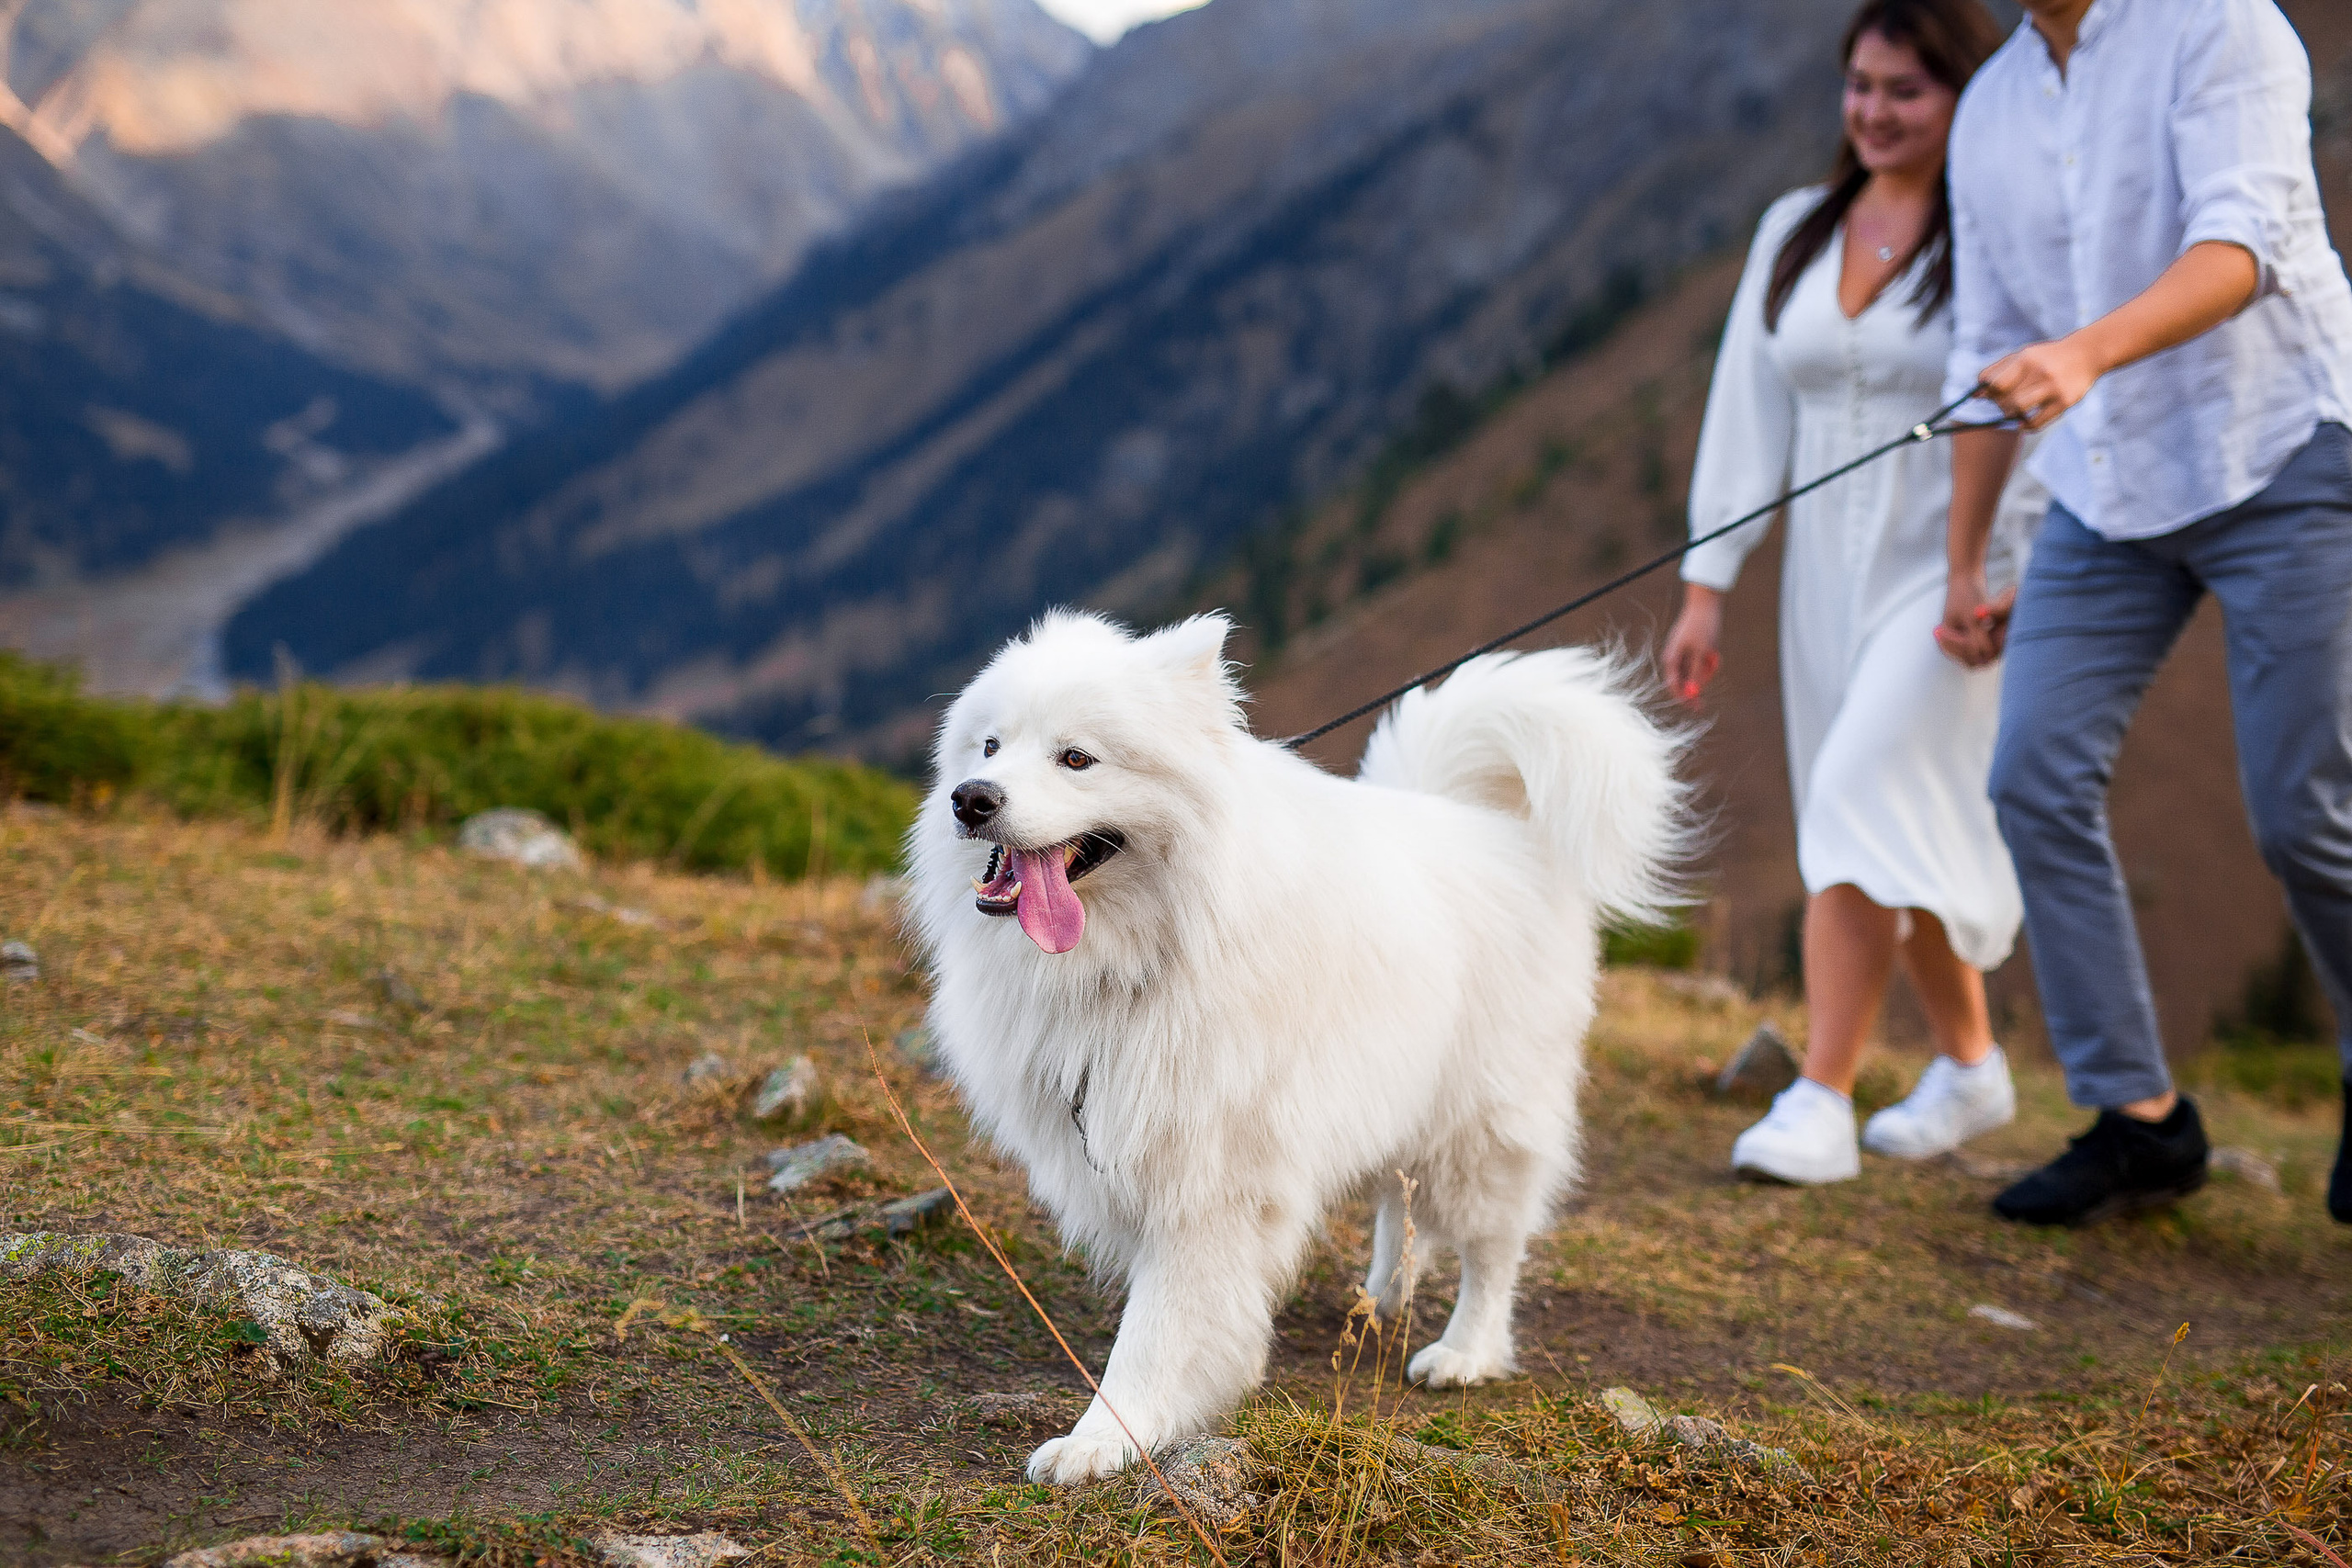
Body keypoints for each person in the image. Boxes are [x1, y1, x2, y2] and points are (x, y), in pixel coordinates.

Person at [1938, 0, 2352, 1225]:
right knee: (2032, 777)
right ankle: (2141, 1122)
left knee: (2303, 812)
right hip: (2102, 493)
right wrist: (1968, 563)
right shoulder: (1990, 107)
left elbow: (2242, 246)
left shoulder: (2221, 25)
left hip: (2281, 451)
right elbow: (1991, 347)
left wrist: (2087, 355)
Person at [1664, 0, 2042, 1185]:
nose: (1876, 112)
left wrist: (2009, 573)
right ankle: (1973, 1067)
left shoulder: (1998, 233)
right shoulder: (1796, 229)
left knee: (1854, 793)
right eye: (1861, 86)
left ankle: (1819, 1098)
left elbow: (2034, 410)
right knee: (1891, 818)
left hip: (1949, 571)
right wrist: (1707, 585)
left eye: (1906, 91)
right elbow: (1748, 409)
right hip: (1823, 575)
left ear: (1961, 97)